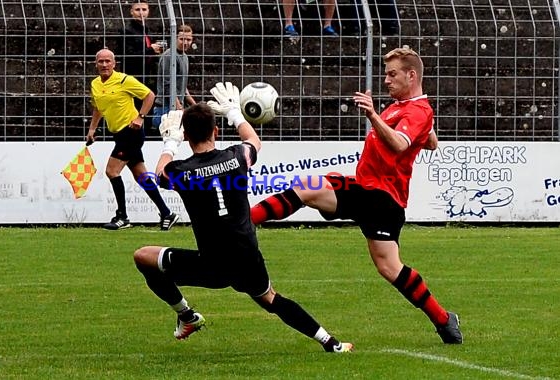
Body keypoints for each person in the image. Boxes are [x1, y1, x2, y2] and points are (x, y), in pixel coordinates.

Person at [249, 47, 463, 344]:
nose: (386, 80)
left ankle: (443, 319)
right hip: (362, 187)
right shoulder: (404, 107)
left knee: (389, 268)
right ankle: (243, 223)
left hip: (385, 201)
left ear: (411, 75)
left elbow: (400, 145)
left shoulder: (416, 110)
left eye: (392, 74)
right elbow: (431, 142)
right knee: (306, 186)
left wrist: (374, 115)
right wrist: (419, 131)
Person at [133, 83, 353, 353]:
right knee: (272, 300)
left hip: (211, 264)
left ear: (187, 135)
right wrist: (235, 113)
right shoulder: (236, 157)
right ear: (216, 131)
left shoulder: (182, 171)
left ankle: (187, 315)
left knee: (143, 257)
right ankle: (331, 343)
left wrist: (170, 142)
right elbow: (254, 142)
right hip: (247, 257)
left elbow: (159, 174)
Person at [86, 48, 179, 231]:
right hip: (119, 134)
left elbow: (149, 95)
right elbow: (97, 107)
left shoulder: (124, 80)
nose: (104, 65)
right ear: (96, 64)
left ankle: (122, 217)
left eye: (108, 61)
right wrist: (92, 129)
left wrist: (140, 117)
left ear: (114, 63)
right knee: (141, 176)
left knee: (112, 171)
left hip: (130, 133)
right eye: (101, 61)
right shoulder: (96, 84)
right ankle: (167, 213)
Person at [119, 0, 164, 130]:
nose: (141, 13)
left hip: (148, 76)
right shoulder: (126, 30)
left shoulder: (146, 30)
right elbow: (128, 54)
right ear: (131, 12)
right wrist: (151, 50)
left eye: (144, 9)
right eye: (138, 10)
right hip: (134, 77)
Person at [152, 24, 197, 129]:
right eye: (182, 39)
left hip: (176, 107)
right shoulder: (169, 56)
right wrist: (179, 108)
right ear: (175, 38)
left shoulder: (184, 57)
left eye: (188, 39)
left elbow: (182, 86)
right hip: (165, 108)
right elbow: (168, 85)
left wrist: (195, 106)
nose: (185, 42)